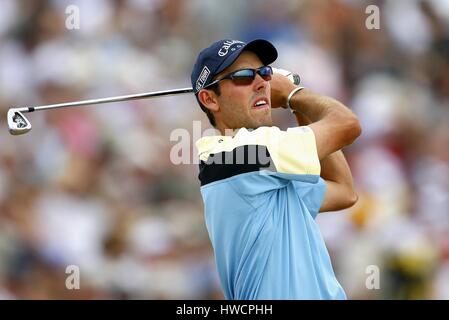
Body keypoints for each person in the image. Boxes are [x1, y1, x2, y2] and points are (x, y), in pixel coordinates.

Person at [191, 39, 361, 300]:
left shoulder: (265, 170)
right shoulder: (238, 157)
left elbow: (344, 191)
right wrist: (294, 93)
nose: (261, 84)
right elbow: (347, 124)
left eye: (265, 73)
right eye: (244, 76)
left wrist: (295, 103)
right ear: (209, 99)